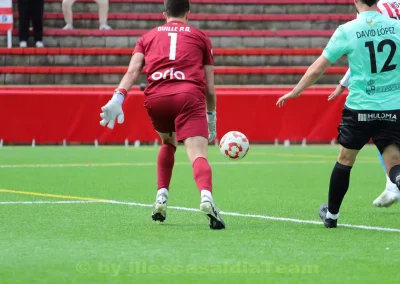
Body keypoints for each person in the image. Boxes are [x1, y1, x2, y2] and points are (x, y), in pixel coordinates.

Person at [99, 0, 225, 230]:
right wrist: (211, 119)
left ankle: (161, 198)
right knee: (197, 152)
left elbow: (133, 70)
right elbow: (209, 88)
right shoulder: (200, 37)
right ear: (188, 13)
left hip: (156, 97)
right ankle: (207, 198)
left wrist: (118, 97)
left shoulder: (147, 37)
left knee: (168, 141)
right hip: (188, 95)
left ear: (164, 13)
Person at [276, 0, 400, 228]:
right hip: (392, 107)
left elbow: (317, 68)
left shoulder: (348, 30)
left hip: (360, 108)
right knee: (394, 163)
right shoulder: (396, 27)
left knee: (345, 159)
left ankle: (331, 216)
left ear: (356, 1)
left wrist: (296, 91)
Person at [328, 0, 400, 208]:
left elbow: (369, 53)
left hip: (373, 96)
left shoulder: (382, 8)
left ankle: (332, 214)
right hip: (391, 92)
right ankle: (391, 186)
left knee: (347, 157)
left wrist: (343, 84)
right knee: (389, 144)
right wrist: (343, 83)